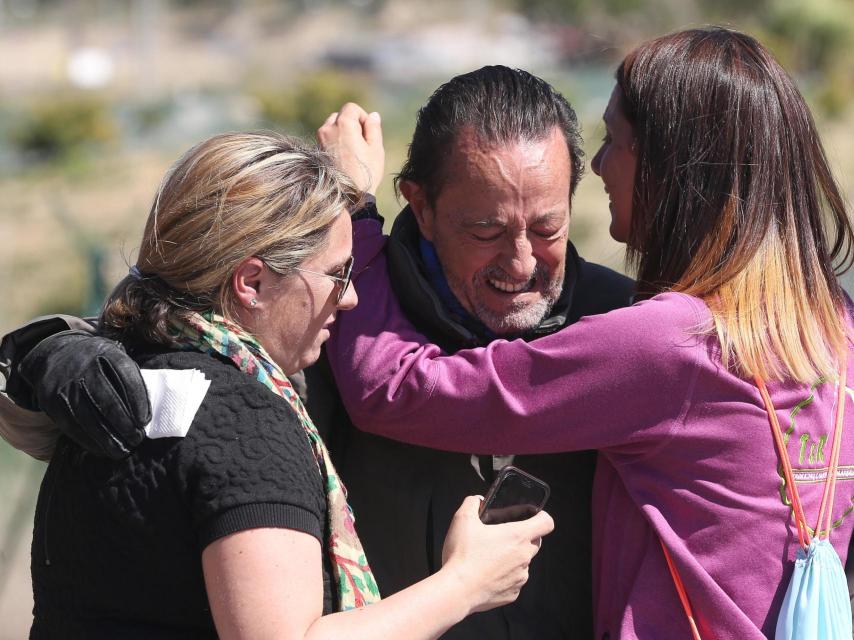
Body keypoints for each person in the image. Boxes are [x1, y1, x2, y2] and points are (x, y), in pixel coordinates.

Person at [1, 66, 633, 639]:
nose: (521, 260)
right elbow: (186, 320)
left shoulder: (628, 332)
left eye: (548, 227)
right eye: (485, 231)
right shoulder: (322, 335)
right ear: (421, 204)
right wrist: (52, 348)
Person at [320, 28, 854, 638]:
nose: (597, 166)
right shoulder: (833, 327)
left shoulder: (668, 344)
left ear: (672, 172)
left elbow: (396, 390)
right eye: (486, 231)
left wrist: (356, 215)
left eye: (615, 141)